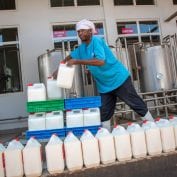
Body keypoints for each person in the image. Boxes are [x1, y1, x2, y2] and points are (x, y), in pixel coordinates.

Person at [54, 19, 154, 131]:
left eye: (83, 30)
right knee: (105, 112)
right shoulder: (81, 48)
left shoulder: (96, 41)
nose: (80, 33)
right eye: (78, 31)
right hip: (104, 86)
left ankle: (153, 125)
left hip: (118, 79)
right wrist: (59, 68)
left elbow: (100, 61)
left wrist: (78, 61)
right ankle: (105, 134)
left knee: (134, 103)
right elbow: (69, 57)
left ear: (90, 31)